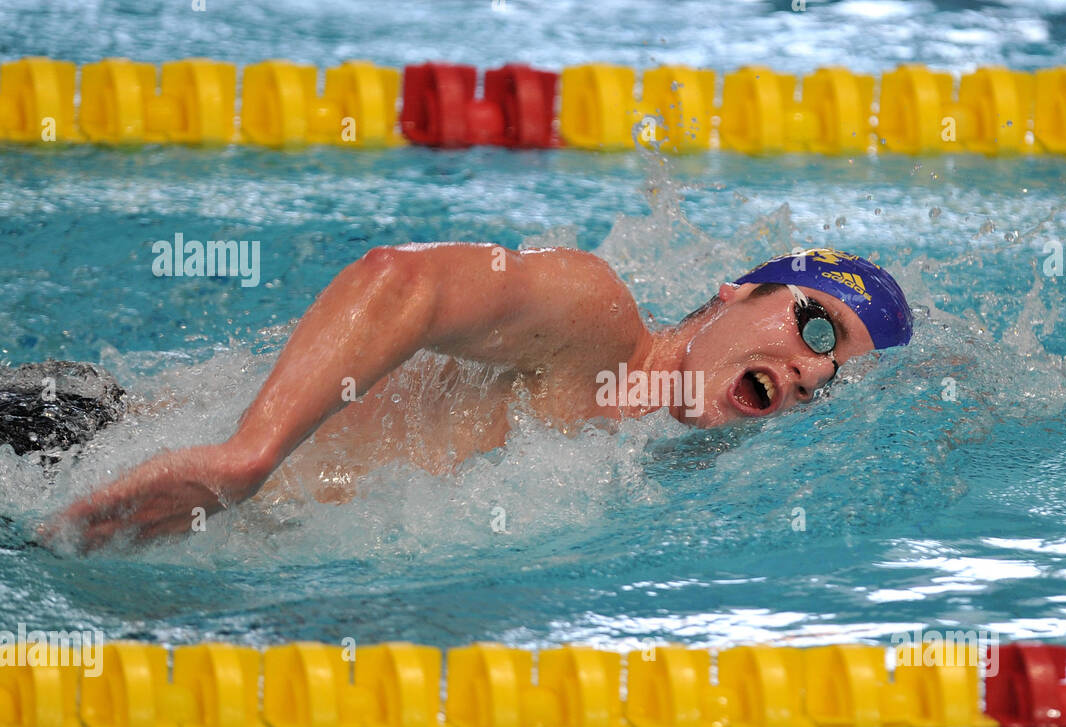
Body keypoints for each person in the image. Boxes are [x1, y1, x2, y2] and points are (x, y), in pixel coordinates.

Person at [35, 244, 911, 550]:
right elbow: (403, 279)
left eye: (839, 379)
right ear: (735, 293)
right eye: (818, 328)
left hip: (142, 518)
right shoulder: (593, 320)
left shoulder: (656, 462)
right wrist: (249, 455)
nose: (815, 372)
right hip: (66, 438)